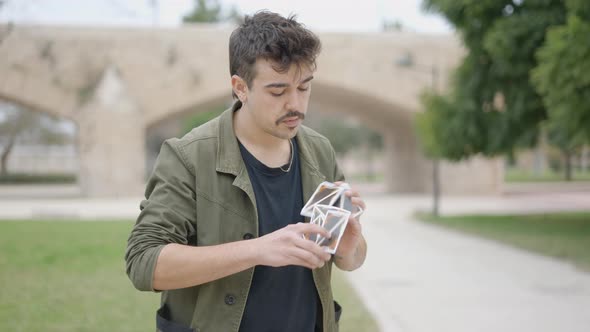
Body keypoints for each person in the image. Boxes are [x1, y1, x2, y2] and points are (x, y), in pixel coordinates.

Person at [125, 10, 367, 332]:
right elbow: (144, 262)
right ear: (240, 88)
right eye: (278, 91)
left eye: (304, 87)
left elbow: (352, 258)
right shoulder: (188, 156)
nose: (296, 104)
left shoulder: (320, 151)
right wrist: (258, 249)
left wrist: (349, 250)